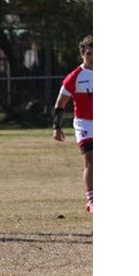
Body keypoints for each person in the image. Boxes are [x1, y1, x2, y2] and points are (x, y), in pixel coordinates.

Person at [53, 35, 93, 214]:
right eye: (89, 54)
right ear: (83, 55)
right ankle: (91, 199)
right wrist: (57, 127)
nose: (93, 58)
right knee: (91, 160)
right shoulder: (75, 77)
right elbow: (60, 103)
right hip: (85, 123)